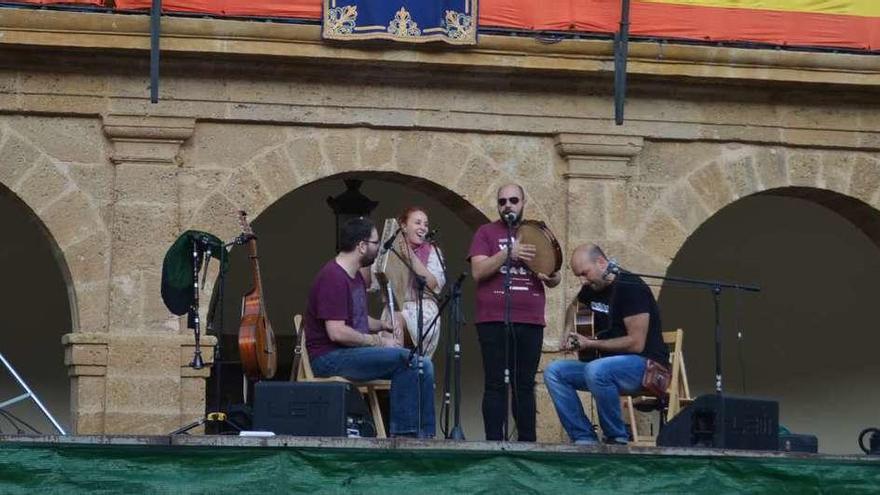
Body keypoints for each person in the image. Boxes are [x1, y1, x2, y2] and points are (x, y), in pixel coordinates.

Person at [305, 217, 435, 438]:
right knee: (409, 361)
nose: (379, 248)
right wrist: (379, 341)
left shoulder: (353, 276)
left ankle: (425, 436)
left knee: (423, 364)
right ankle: (406, 436)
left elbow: (357, 318)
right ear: (362, 246)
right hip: (329, 358)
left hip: (347, 353)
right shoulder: (333, 277)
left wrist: (382, 324)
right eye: (376, 243)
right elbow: (336, 331)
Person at [544, 243, 669, 445]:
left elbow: (636, 344)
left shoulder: (631, 287)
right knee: (554, 371)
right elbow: (573, 307)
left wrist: (591, 343)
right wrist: (567, 331)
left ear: (602, 262)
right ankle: (584, 437)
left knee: (596, 369)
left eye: (585, 273)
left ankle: (616, 437)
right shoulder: (593, 288)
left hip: (648, 368)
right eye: (579, 276)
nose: (583, 280)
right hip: (606, 367)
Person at [468, 183, 561, 441]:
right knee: (495, 383)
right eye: (502, 202)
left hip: (530, 319)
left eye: (513, 200)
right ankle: (493, 442)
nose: (507, 205)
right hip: (493, 319)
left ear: (522, 203)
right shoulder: (485, 233)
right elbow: (478, 271)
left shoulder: (535, 232)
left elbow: (554, 272)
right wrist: (508, 252)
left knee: (524, 385)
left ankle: (527, 443)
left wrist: (552, 278)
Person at [369, 206, 446, 358]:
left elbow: (433, 284)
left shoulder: (432, 251)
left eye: (425, 224)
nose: (423, 227)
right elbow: (374, 282)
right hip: (395, 307)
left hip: (423, 309)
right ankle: (391, 374)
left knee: (395, 320)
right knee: (392, 321)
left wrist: (409, 255)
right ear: (403, 226)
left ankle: (393, 365)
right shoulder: (390, 249)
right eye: (418, 223)